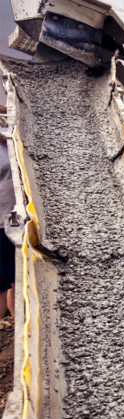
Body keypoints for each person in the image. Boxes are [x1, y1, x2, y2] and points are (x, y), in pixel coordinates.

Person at [0, 104, 16, 319]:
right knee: (2, 281)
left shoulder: (10, 142)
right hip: (1, 221)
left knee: (16, 279)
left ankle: (14, 321)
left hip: (18, 219)